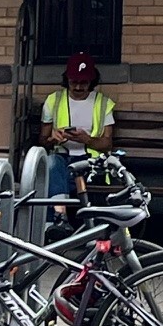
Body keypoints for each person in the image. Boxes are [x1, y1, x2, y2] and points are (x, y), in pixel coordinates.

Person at [40, 51, 116, 215]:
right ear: (66, 79)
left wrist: (86, 139)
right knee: (52, 163)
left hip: (91, 161)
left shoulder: (103, 103)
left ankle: (56, 222)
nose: (78, 87)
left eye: (84, 82)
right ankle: (60, 218)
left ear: (92, 81)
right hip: (62, 158)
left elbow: (107, 144)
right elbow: (43, 141)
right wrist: (53, 139)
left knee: (55, 180)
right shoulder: (53, 100)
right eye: (74, 82)